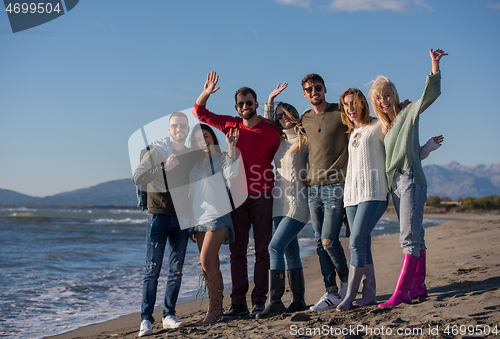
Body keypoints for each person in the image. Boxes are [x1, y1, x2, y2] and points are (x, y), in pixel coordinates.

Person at [335, 89, 444, 311]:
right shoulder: (349, 133)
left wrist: (426, 146)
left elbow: (404, 151)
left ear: (364, 104)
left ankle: (349, 297)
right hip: (351, 196)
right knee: (363, 242)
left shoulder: (379, 126)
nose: (350, 107)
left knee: (356, 242)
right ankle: (369, 294)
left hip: (374, 193)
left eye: (354, 102)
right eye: (346, 104)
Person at [192, 72, 281, 318]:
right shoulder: (231, 124)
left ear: (256, 104)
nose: (245, 106)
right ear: (236, 107)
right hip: (236, 198)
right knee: (237, 252)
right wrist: (206, 93)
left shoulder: (270, 131)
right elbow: (199, 113)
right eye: (240, 104)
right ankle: (238, 303)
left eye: (249, 102)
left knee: (262, 250)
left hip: (263, 196)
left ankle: (260, 300)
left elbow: (283, 155)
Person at [368, 48, 448, 308]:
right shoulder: (385, 127)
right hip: (396, 186)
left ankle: (401, 293)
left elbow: (430, 95)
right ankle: (418, 286)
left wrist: (434, 66)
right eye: (379, 98)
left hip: (410, 180)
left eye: (387, 95)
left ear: (395, 96)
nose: (384, 101)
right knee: (417, 236)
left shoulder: (408, 113)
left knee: (409, 239)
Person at [133, 112, 200, 336]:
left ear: (187, 128)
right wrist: (163, 168)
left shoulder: (190, 154)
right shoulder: (157, 150)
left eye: (183, 125)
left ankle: (169, 315)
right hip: (158, 215)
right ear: (169, 129)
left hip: (181, 218)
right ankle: (146, 320)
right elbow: (138, 176)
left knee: (176, 271)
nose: (179, 128)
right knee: (152, 270)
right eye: (175, 125)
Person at [256, 83, 309, 318]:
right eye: (278, 116)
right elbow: (265, 125)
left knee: (274, 247)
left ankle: (275, 301)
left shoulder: (304, 140)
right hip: (278, 202)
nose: (282, 118)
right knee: (290, 252)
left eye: (285, 113)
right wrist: (270, 101)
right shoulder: (278, 140)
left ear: (293, 115)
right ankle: (298, 300)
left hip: (298, 201)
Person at [298, 74, 349, 311]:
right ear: (305, 94)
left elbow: (368, 121)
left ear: (325, 89)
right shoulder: (305, 118)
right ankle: (331, 292)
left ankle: (348, 282)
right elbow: (282, 128)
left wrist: (397, 109)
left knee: (329, 240)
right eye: (309, 89)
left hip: (336, 185)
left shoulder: (341, 111)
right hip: (313, 189)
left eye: (317, 88)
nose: (313, 92)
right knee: (319, 242)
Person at [189, 124, 240, 325]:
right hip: (199, 219)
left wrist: (232, 147)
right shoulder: (195, 166)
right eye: (199, 138)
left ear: (212, 138)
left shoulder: (221, 158)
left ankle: (214, 309)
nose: (204, 140)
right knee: (211, 265)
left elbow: (232, 174)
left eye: (207, 136)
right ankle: (216, 309)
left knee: (206, 260)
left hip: (218, 215)